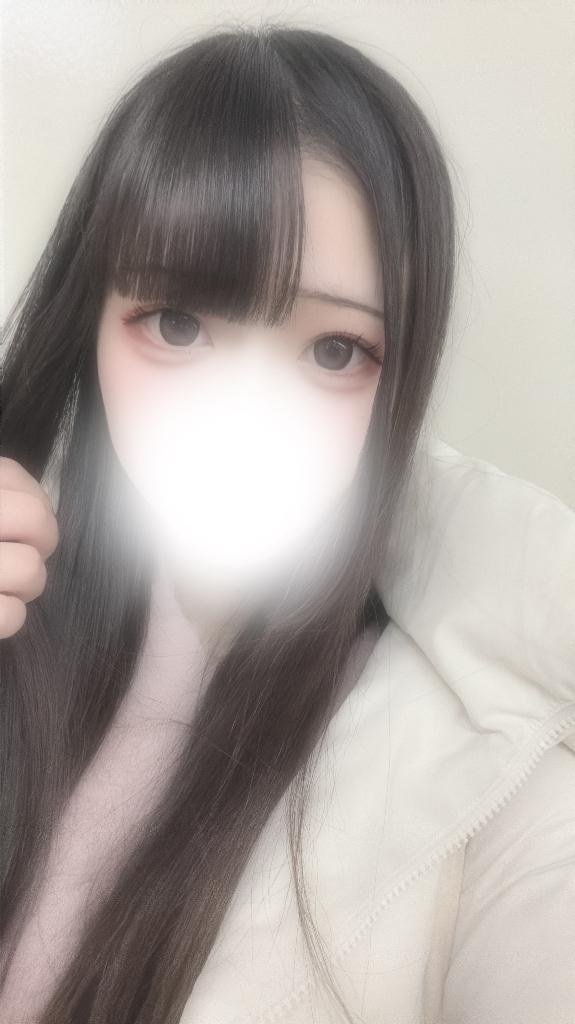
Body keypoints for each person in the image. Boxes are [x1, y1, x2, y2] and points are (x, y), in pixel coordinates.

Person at [0, 23, 573, 1024]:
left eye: (334, 351)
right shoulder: (20, 624)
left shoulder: (488, 779)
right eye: (179, 323)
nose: (244, 419)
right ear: (88, 330)